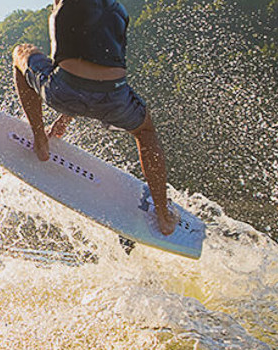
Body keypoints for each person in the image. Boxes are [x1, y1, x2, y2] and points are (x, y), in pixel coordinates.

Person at [12, 0, 177, 235]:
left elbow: (68, 67)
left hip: (64, 91)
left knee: (21, 52)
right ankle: (163, 214)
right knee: (145, 131)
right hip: (115, 97)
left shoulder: (63, 6)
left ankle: (40, 140)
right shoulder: (119, 13)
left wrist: (67, 111)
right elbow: (99, 68)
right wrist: (66, 117)